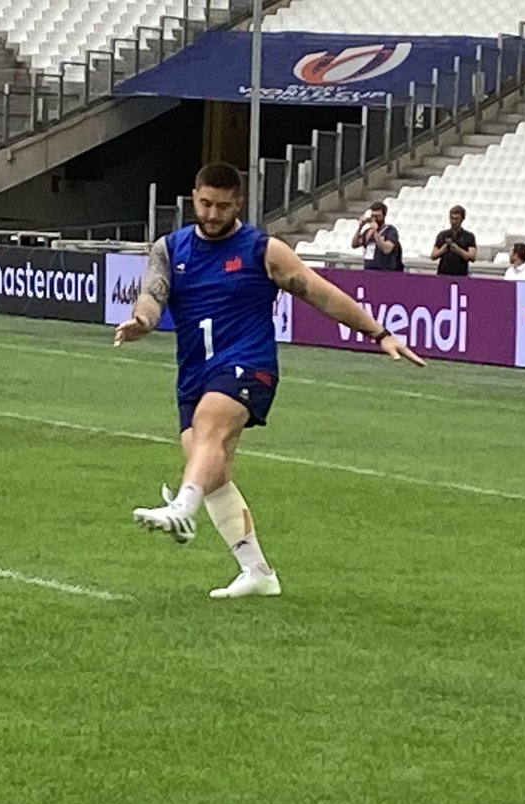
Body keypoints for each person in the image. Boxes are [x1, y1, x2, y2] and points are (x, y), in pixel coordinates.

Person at [114, 162, 426, 598]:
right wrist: (141, 323)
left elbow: (320, 293)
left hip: (248, 362)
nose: (213, 212)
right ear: (194, 197)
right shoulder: (170, 248)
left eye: (223, 205)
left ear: (238, 203)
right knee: (212, 467)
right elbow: (153, 294)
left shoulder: (262, 250)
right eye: (205, 203)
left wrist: (380, 333)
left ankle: (184, 506)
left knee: (209, 427)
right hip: (194, 372)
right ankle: (257, 571)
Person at [351, 201, 402, 271]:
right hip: (368, 268)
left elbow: (386, 249)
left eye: (378, 216)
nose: (375, 219)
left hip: (384, 270)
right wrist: (360, 227)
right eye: (373, 216)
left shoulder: (390, 230)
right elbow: (354, 244)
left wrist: (375, 232)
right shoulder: (368, 231)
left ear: (383, 216)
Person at [430, 205, 477, 276]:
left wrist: (458, 250)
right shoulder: (442, 235)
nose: (453, 222)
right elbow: (433, 256)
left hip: (461, 274)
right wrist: (443, 249)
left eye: (457, 219)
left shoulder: (469, 236)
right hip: (443, 273)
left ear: (462, 219)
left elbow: (472, 257)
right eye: (452, 218)